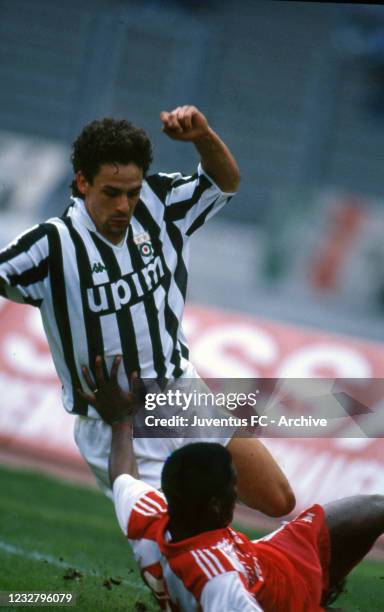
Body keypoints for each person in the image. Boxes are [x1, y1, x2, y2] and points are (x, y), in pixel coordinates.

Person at [0, 106, 294, 515]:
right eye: (111, 192)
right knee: (181, 549)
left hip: (181, 396)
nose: (124, 204)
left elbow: (225, 182)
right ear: (82, 182)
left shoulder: (160, 202)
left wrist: (203, 136)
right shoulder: (51, 244)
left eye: (132, 191)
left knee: (279, 499)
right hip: (114, 425)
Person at [82, 357, 384, 612]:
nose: (237, 494)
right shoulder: (219, 581)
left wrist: (122, 419)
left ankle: (323, 587)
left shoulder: (147, 512)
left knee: (376, 508)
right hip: (287, 598)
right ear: (215, 504)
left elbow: (123, 475)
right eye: (233, 487)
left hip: (273, 555)